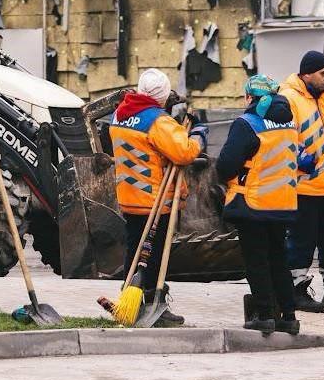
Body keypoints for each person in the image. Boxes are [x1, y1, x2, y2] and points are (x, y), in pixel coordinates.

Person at [110, 68, 208, 327]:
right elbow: (184, 153)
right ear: (163, 95)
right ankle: (154, 307)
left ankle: (130, 300)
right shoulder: (158, 121)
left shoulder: (120, 114)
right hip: (156, 199)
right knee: (154, 256)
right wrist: (198, 135)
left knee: (135, 251)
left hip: (129, 196)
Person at [217, 75, 305, 336]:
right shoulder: (289, 123)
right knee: (279, 259)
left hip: (253, 204)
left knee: (257, 261)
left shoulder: (247, 124)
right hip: (282, 203)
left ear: (248, 97)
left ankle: (265, 314)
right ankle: (288, 316)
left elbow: (225, 165)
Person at [281, 50, 324, 312]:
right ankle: (295, 289)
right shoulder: (289, 98)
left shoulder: (320, 99)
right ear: (306, 73)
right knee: (301, 240)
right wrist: (298, 159)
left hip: (323, 186)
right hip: (302, 186)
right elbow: (284, 137)